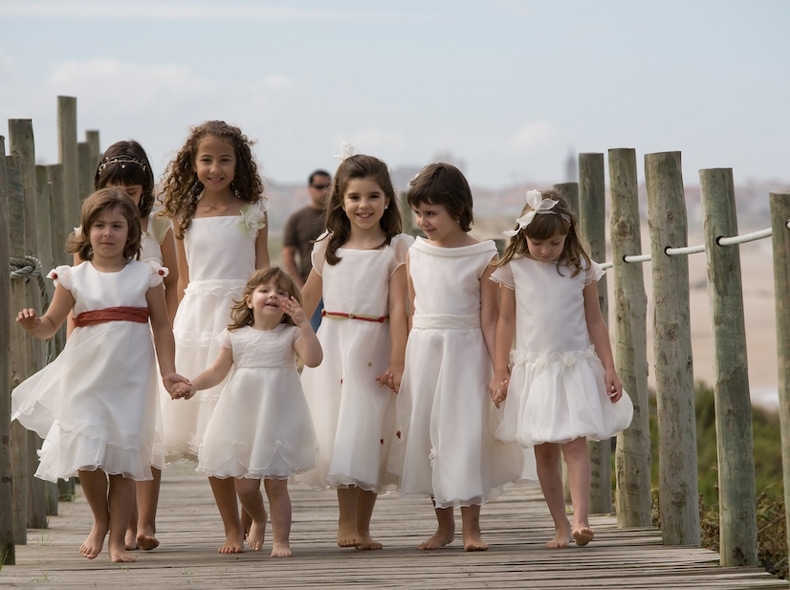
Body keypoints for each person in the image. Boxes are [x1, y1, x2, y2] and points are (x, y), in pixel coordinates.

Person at [11, 188, 185, 563]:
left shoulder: (147, 275)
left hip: (131, 379)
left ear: (130, 233)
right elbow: (51, 324)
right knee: (88, 457)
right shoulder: (73, 277)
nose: (108, 233)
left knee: (123, 462)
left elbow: (162, 328)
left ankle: (118, 540)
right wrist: (34, 325)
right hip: (86, 377)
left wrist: (168, 371)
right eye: (99, 225)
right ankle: (100, 521)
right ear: (87, 231)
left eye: (117, 226)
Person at [393, 162, 527, 552]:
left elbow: (491, 317)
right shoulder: (414, 253)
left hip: (466, 353)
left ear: (457, 208)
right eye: (418, 213)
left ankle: (472, 528)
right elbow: (412, 309)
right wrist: (401, 361)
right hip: (425, 352)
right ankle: (443, 525)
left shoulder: (484, 254)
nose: (423, 221)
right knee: (430, 436)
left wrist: (499, 368)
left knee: (464, 435)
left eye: (431, 213)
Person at [489, 189, 633, 549]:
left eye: (554, 242)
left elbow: (595, 320)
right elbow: (505, 321)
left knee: (575, 444)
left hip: (574, 367)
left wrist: (609, 367)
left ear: (567, 234)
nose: (545, 250)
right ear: (523, 236)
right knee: (545, 450)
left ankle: (582, 519)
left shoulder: (580, 267)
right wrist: (499, 369)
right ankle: (560, 525)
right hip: (533, 370)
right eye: (537, 243)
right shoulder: (514, 268)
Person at [158, 120, 270, 553]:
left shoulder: (253, 211)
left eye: (225, 159)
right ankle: (231, 528)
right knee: (210, 433)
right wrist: (168, 332)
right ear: (193, 162)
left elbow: (261, 273)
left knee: (246, 423)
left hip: (241, 319)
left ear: (238, 163)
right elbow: (183, 281)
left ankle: (255, 517)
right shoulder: (183, 214)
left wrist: (263, 322)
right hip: (196, 324)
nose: (215, 168)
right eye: (206, 159)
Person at [297, 147, 411, 550]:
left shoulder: (395, 249)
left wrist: (398, 360)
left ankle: (363, 525)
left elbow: (400, 310)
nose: (364, 205)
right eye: (355, 197)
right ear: (341, 201)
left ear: (387, 200)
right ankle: (346, 522)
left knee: (370, 433)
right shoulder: (327, 246)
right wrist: (285, 340)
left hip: (374, 348)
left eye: (373, 196)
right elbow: (307, 301)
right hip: (333, 346)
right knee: (341, 432)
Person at [172, 267, 321, 557]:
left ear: (290, 303)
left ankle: (281, 541)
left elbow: (313, 360)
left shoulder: (290, 334)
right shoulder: (235, 335)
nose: (273, 295)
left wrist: (304, 324)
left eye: (281, 292)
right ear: (250, 300)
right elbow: (216, 372)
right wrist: (193, 385)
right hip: (242, 416)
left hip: (277, 417)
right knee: (245, 486)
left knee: (277, 484)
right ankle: (259, 518)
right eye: (264, 290)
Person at [91, 139, 179, 552]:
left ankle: (145, 522)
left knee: (145, 429)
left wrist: (167, 326)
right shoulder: (94, 229)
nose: (124, 197)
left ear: (145, 188)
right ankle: (118, 526)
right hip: (104, 344)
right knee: (108, 430)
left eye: (131, 190)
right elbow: (82, 289)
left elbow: (174, 280)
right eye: (114, 188)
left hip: (143, 335)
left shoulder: (157, 225)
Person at [282, 169, 331, 330]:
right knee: (312, 334)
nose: (324, 191)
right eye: (319, 186)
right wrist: (301, 284)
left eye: (328, 186)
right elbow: (288, 255)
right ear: (309, 188)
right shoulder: (297, 219)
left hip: (336, 286)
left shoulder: (339, 217)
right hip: (309, 286)